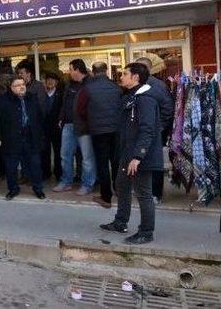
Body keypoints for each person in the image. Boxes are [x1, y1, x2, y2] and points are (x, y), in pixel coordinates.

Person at [100, 63, 162, 245]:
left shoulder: (146, 99)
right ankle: (120, 222)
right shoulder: (131, 97)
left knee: (144, 194)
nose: (121, 76)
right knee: (122, 186)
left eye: (125, 74)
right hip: (127, 154)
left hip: (140, 157)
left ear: (135, 77)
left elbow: (147, 130)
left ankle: (146, 232)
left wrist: (138, 156)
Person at [78, 62, 122, 208]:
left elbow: (81, 110)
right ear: (106, 70)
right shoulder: (116, 86)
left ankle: (106, 197)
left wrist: (91, 118)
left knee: (102, 164)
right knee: (116, 161)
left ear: (94, 72)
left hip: (98, 130)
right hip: (116, 129)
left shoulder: (87, 88)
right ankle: (119, 190)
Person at [0, 76, 46, 200]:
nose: (22, 87)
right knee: (11, 167)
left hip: (31, 137)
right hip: (11, 138)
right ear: (11, 88)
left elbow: (39, 117)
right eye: (17, 85)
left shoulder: (32, 97)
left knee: (35, 165)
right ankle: (13, 189)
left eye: (23, 84)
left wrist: (40, 134)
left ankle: (38, 189)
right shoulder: (3, 100)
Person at [53, 59, 96, 196]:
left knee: (87, 157)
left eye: (70, 69)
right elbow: (64, 103)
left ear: (77, 69)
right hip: (68, 125)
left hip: (84, 126)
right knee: (65, 155)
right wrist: (61, 118)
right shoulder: (69, 84)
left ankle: (87, 184)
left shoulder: (91, 84)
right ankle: (66, 182)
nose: (69, 72)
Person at [135, 57, 174, 204]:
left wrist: (159, 127)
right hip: (141, 130)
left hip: (155, 131)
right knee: (141, 159)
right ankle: (145, 190)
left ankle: (156, 193)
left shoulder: (157, 86)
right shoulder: (137, 85)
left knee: (155, 162)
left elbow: (168, 109)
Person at [42, 72, 63, 181]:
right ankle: (46, 173)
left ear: (57, 82)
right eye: (48, 80)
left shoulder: (61, 94)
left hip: (57, 128)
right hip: (44, 127)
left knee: (58, 151)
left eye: (53, 80)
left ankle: (58, 173)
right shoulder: (42, 94)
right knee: (45, 151)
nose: (50, 82)